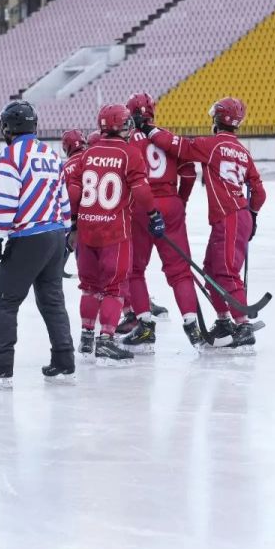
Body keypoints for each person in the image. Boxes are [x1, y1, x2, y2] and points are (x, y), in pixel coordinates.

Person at [151, 97, 266, 349]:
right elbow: (259, 193)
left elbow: (178, 146)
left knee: (225, 272)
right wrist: (253, 215)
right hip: (239, 215)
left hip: (230, 217)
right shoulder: (244, 152)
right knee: (211, 270)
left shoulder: (212, 146)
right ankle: (224, 320)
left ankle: (243, 324)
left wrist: (149, 129)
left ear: (217, 120)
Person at [0, 101, 76, 388]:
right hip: (56, 234)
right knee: (52, 301)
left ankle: (1, 369)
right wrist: (65, 238)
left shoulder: (11, 155)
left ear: (8, 127)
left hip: (28, 237)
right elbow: (63, 200)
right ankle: (64, 361)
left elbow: (5, 202)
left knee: (4, 303)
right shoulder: (50, 154)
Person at [67, 103, 165, 365]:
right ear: (123, 126)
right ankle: (107, 341)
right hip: (114, 231)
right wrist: (154, 215)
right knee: (113, 289)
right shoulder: (130, 153)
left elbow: (73, 189)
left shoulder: (88, 154)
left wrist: (75, 220)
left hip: (87, 231)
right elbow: (142, 192)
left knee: (89, 287)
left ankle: (86, 337)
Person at [121, 92, 203, 353]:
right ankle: (192, 324)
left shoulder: (127, 141)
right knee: (179, 271)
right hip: (171, 203)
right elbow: (189, 173)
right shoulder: (167, 136)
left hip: (140, 206)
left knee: (135, 270)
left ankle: (144, 326)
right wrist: (181, 201)